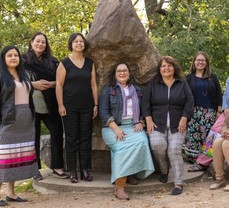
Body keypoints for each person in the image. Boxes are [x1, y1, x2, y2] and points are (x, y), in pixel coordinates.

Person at [99, 63, 155, 200]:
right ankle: (120, 187)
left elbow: (146, 107)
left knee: (142, 141)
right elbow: (104, 112)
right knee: (122, 147)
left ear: (129, 73)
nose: (122, 73)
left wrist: (141, 122)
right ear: (115, 74)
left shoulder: (137, 90)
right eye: (119, 71)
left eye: (125, 70)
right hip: (112, 127)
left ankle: (130, 173)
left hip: (133, 125)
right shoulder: (108, 90)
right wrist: (116, 128)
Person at [142, 56, 194, 195]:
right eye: (163, 66)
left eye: (169, 66)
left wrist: (184, 118)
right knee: (157, 145)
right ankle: (164, 170)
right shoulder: (153, 83)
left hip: (178, 125)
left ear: (174, 68)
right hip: (157, 124)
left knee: (174, 150)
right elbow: (145, 102)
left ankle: (178, 183)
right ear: (159, 69)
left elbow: (190, 102)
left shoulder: (182, 83)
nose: (166, 68)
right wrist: (148, 119)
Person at [22, 32, 68, 180]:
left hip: (50, 103)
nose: (40, 44)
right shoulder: (22, 60)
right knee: (32, 136)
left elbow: (61, 81)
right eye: (37, 41)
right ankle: (35, 170)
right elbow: (14, 81)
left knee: (57, 132)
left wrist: (52, 84)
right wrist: (33, 84)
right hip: (31, 104)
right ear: (31, 42)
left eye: (43, 42)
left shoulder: (53, 62)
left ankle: (58, 167)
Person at [56, 33, 98, 183]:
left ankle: (85, 170)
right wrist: (60, 104)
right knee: (72, 139)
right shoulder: (64, 63)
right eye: (76, 41)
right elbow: (59, 85)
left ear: (84, 45)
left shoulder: (89, 63)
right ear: (71, 44)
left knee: (85, 139)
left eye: (81, 41)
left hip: (87, 106)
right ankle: (73, 171)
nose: (79, 43)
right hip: (69, 107)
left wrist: (95, 104)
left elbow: (93, 85)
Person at [0, 45, 38, 205]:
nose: (14, 58)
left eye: (16, 55)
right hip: (8, 121)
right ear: (3, 58)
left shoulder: (24, 75)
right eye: (10, 55)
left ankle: (11, 193)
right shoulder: (1, 75)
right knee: (4, 158)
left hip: (26, 121)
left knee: (15, 157)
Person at [182, 51, 222, 165]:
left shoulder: (212, 77)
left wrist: (219, 110)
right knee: (193, 135)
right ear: (194, 62)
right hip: (193, 111)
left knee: (208, 135)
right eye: (198, 60)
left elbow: (219, 93)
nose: (200, 62)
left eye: (203, 60)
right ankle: (192, 158)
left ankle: (206, 160)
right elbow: (184, 96)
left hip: (209, 111)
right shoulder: (188, 78)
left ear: (206, 62)